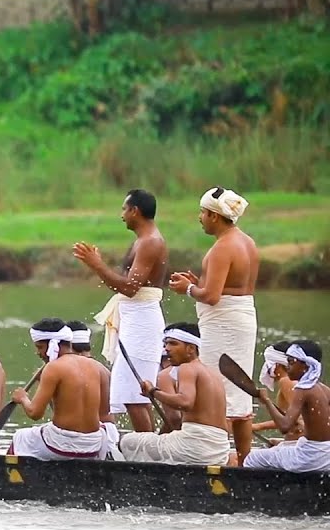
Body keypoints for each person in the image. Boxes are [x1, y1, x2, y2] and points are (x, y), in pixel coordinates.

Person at [168, 186, 259, 464]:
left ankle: (215, 458)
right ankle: (244, 461)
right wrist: (198, 283)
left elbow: (212, 296)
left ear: (215, 216)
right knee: (239, 391)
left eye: (202, 213)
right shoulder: (246, 241)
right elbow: (228, 287)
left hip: (224, 324)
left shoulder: (222, 247)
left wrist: (187, 288)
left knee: (218, 392)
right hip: (242, 317)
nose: (200, 217)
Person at [74, 188, 168, 434]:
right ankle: (146, 445)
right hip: (134, 318)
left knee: (135, 394)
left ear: (135, 211)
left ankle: (146, 449)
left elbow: (129, 288)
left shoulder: (150, 242)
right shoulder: (142, 240)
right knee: (132, 392)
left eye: (124, 209)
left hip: (143, 320)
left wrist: (96, 265)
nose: (122, 215)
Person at [119, 323, 231, 467]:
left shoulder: (187, 368)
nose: (166, 349)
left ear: (191, 348)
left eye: (173, 343)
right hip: (220, 451)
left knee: (127, 441)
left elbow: (185, 402)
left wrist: (153, 392)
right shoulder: (213, 373)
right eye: (165, 344)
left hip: (194, 448)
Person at [8, 318, 109, 461]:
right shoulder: (94, 365)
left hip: (63, 446)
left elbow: (35, 413)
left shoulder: (53, 367)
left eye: (40, 347)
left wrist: (22, 398)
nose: (38, 353)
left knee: (20, 437)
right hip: (93, 445)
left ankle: (13, 481)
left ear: (53, 345)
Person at [245, 340, 330, 473]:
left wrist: (266, 401)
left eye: (291, 362)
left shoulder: (303, 389)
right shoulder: (324, 389)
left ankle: (257, 493)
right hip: (326, 455)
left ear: (305, 365)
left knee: (252, 458)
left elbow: (285, 426)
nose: (287, 367)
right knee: (278, 451)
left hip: (309, 457)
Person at [66, 318, 122, 458]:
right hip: (111, 434)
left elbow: (66, 414)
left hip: (91, 436)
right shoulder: (103, 369)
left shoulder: (76, 370)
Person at [251, 341, 300, 445]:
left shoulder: (286, 381)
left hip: (303, 447)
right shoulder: (289, 382)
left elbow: (299, 421)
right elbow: (285, 419)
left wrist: (257, 426)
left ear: (277, 364)